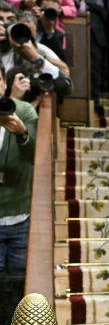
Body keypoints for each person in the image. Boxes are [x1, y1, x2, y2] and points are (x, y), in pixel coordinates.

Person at [0, 68, 37, 273]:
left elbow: (35, 157)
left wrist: (22, 134)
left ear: (4, 84)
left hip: (19, 216)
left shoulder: (24, 111)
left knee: (18, 286)